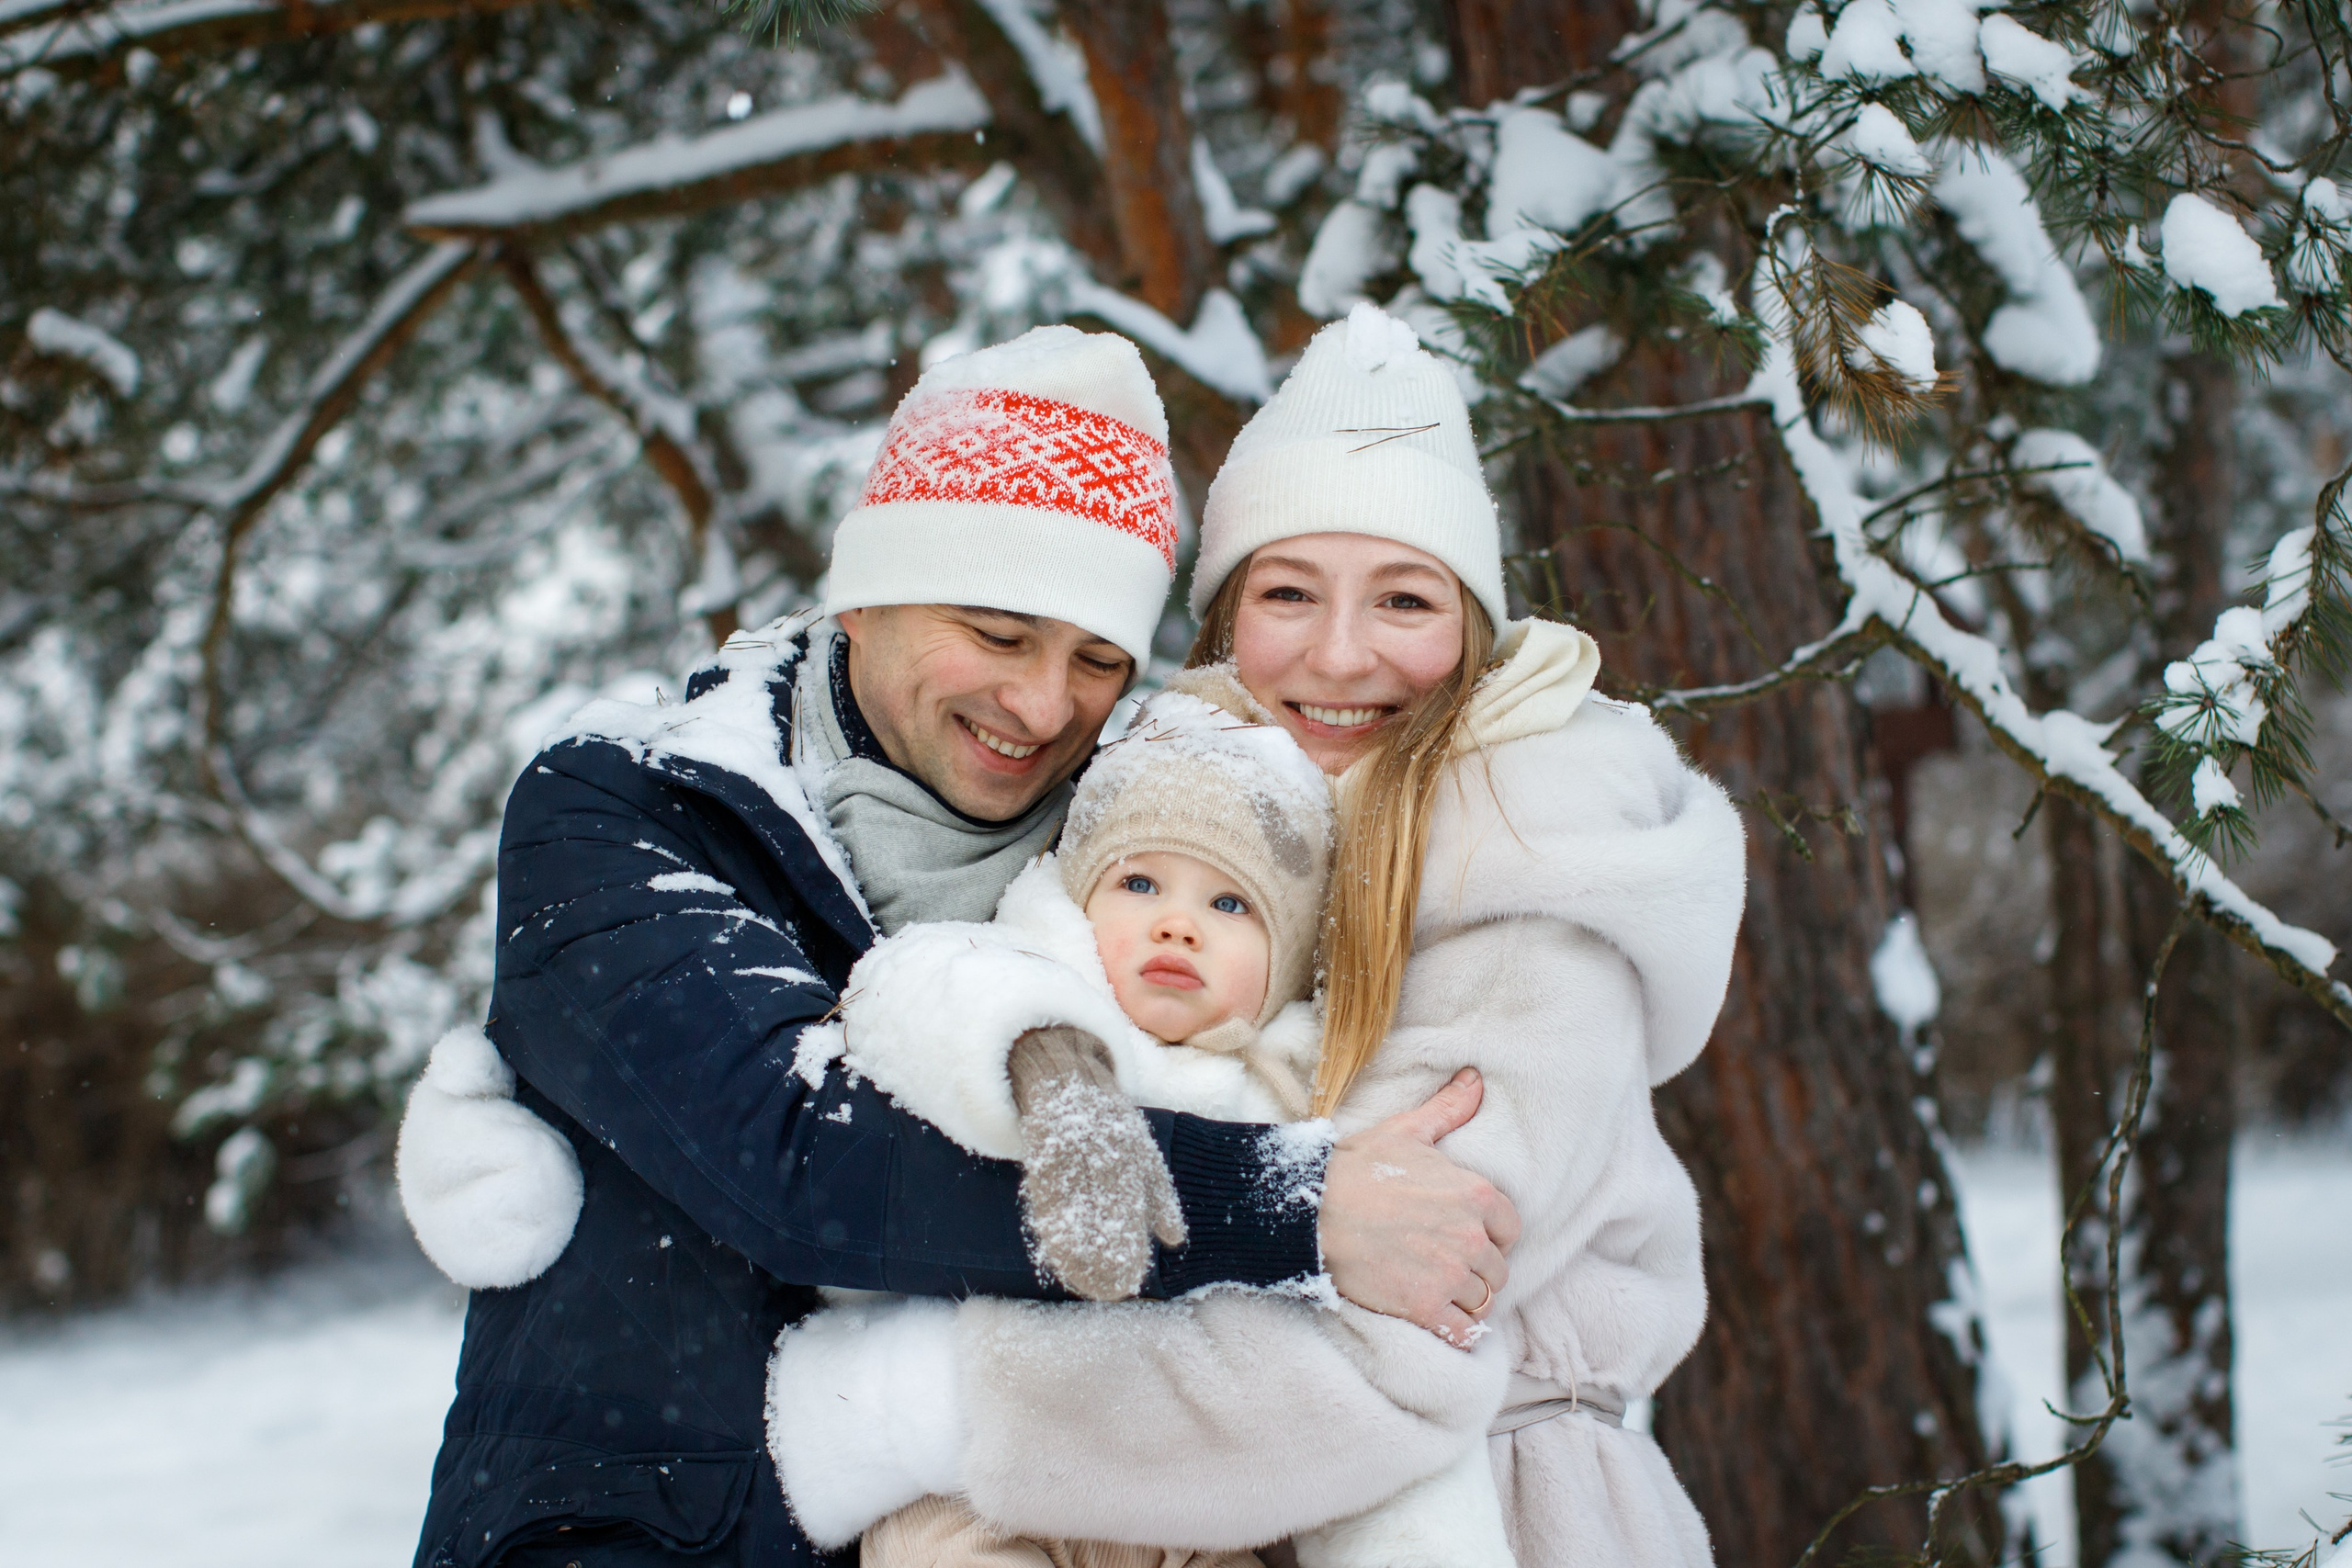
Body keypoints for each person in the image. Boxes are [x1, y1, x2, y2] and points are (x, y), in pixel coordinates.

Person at [398, 323, 1520, 1568]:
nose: (1041, 706)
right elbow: (792, 1153)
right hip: (638, 1536)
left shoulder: (1117, 855)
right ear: (865, 596)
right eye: (996, 633)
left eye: (1097, 658)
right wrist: (1299, 1202)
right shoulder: (631, 805)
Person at [762, 304, 1748, 1568]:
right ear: (1227, 616)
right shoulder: (1210, 824)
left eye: (1404, 598)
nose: (1339, 654)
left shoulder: (1524, 872)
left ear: (1472, 624)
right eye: (1289, 592)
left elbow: (1388, 1351)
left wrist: (915, 1400)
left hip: (1497, 1513)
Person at [779, 666, 1336, 1568]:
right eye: (1140, 884)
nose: (1177, 925)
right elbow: (908, 995)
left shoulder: (1295, 1091)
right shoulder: (1015, 973)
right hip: (977, 1481)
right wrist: (1047, 1058)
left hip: (1188, 1508)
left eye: (1229, 903)